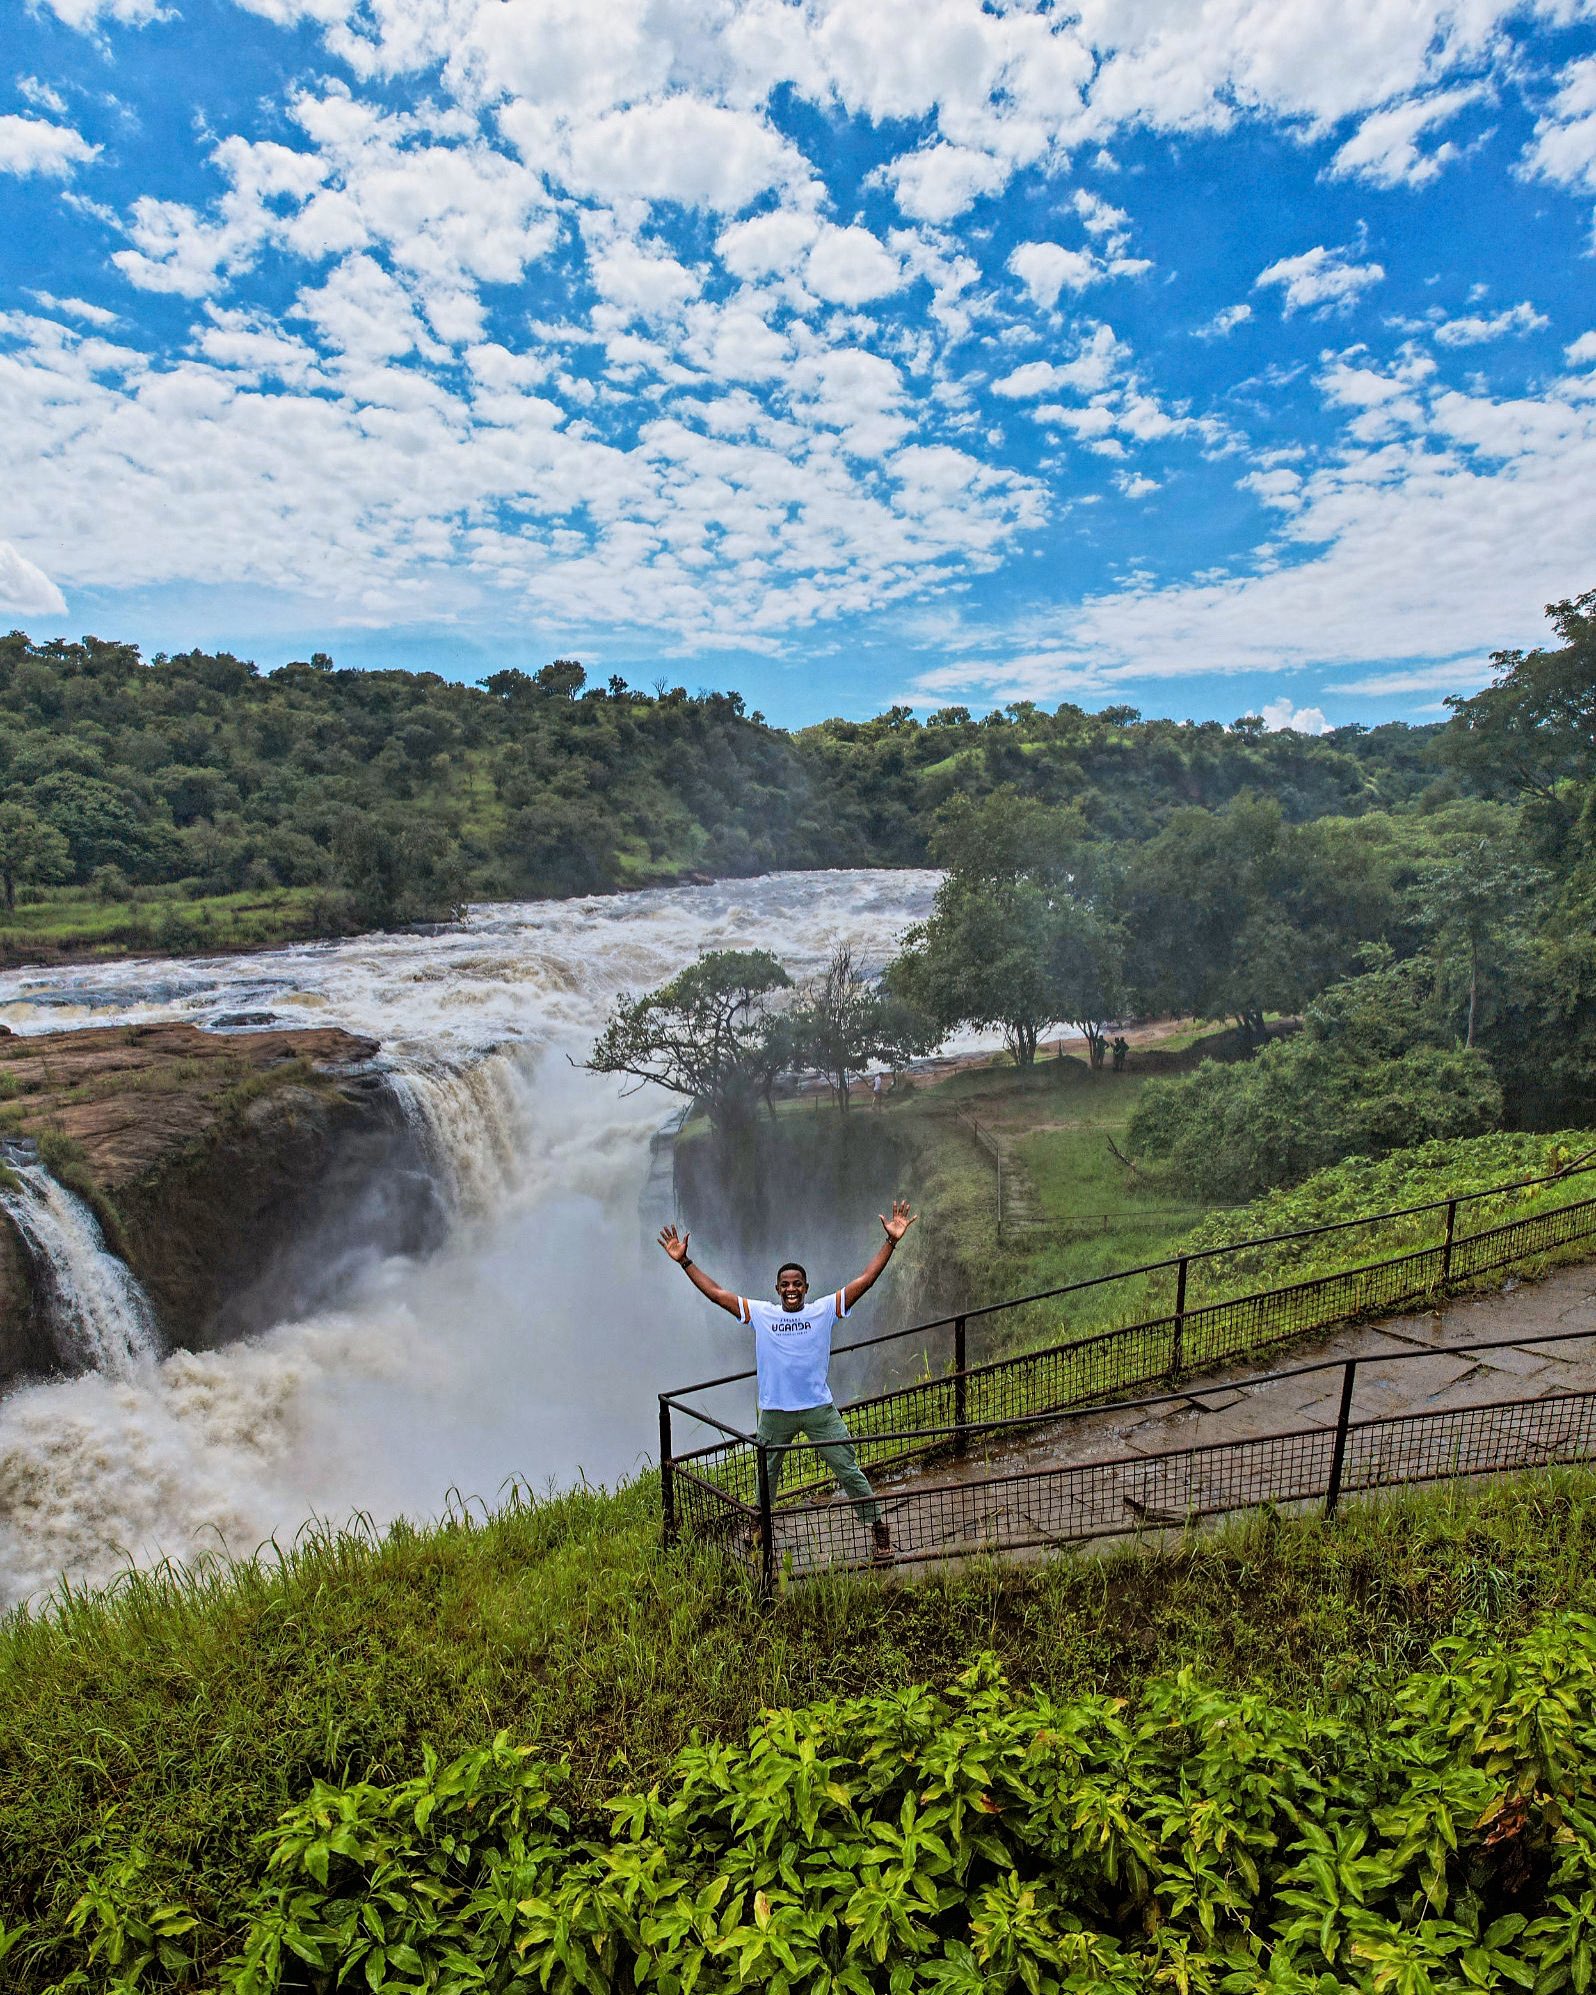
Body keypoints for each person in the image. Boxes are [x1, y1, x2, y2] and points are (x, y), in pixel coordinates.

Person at [658, 1199, 918, 1564]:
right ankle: (761, 1528)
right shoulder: (761, 1314)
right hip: (775, 1413)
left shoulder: (824, 1310)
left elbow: (865, 1281)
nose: (791, 1289)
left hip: (817, 1409)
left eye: (796, 1283)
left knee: (847, 1468)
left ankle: (877, 1528)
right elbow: (718, 1295)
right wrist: (685, 1262)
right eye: (785, 1284)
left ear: (806, 1287)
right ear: (777, 1288)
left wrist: (891, 1242)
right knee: (766, 1476)